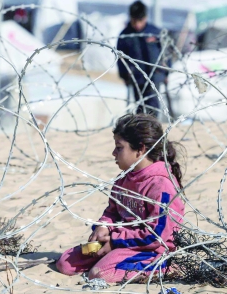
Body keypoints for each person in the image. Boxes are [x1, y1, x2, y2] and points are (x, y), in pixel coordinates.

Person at [55, 113, 185, 284]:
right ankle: (113, 256)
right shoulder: (123, 179)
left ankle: (166, 268)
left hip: (151, 249)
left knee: (100, 273)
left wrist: (115, 242)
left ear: (140, 149)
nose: (113, 153)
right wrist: (103, 227)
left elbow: (156, 236)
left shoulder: (161, 185)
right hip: (120, 241)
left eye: (119, 147)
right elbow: (112, 212)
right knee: (66, 263)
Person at [116, 0, 168, 117]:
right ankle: (142, 131)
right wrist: (124, 75)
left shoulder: (154, 32)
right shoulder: (125, 35)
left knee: (153, 107)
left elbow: (165, 53)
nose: (138, 25)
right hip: (136, 77)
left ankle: (153, 131)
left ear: (145, 18)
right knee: (140, 107)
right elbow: (120, 59)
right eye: (135, 21)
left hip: (155, 75)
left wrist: (166, 73)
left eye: (140, 21)